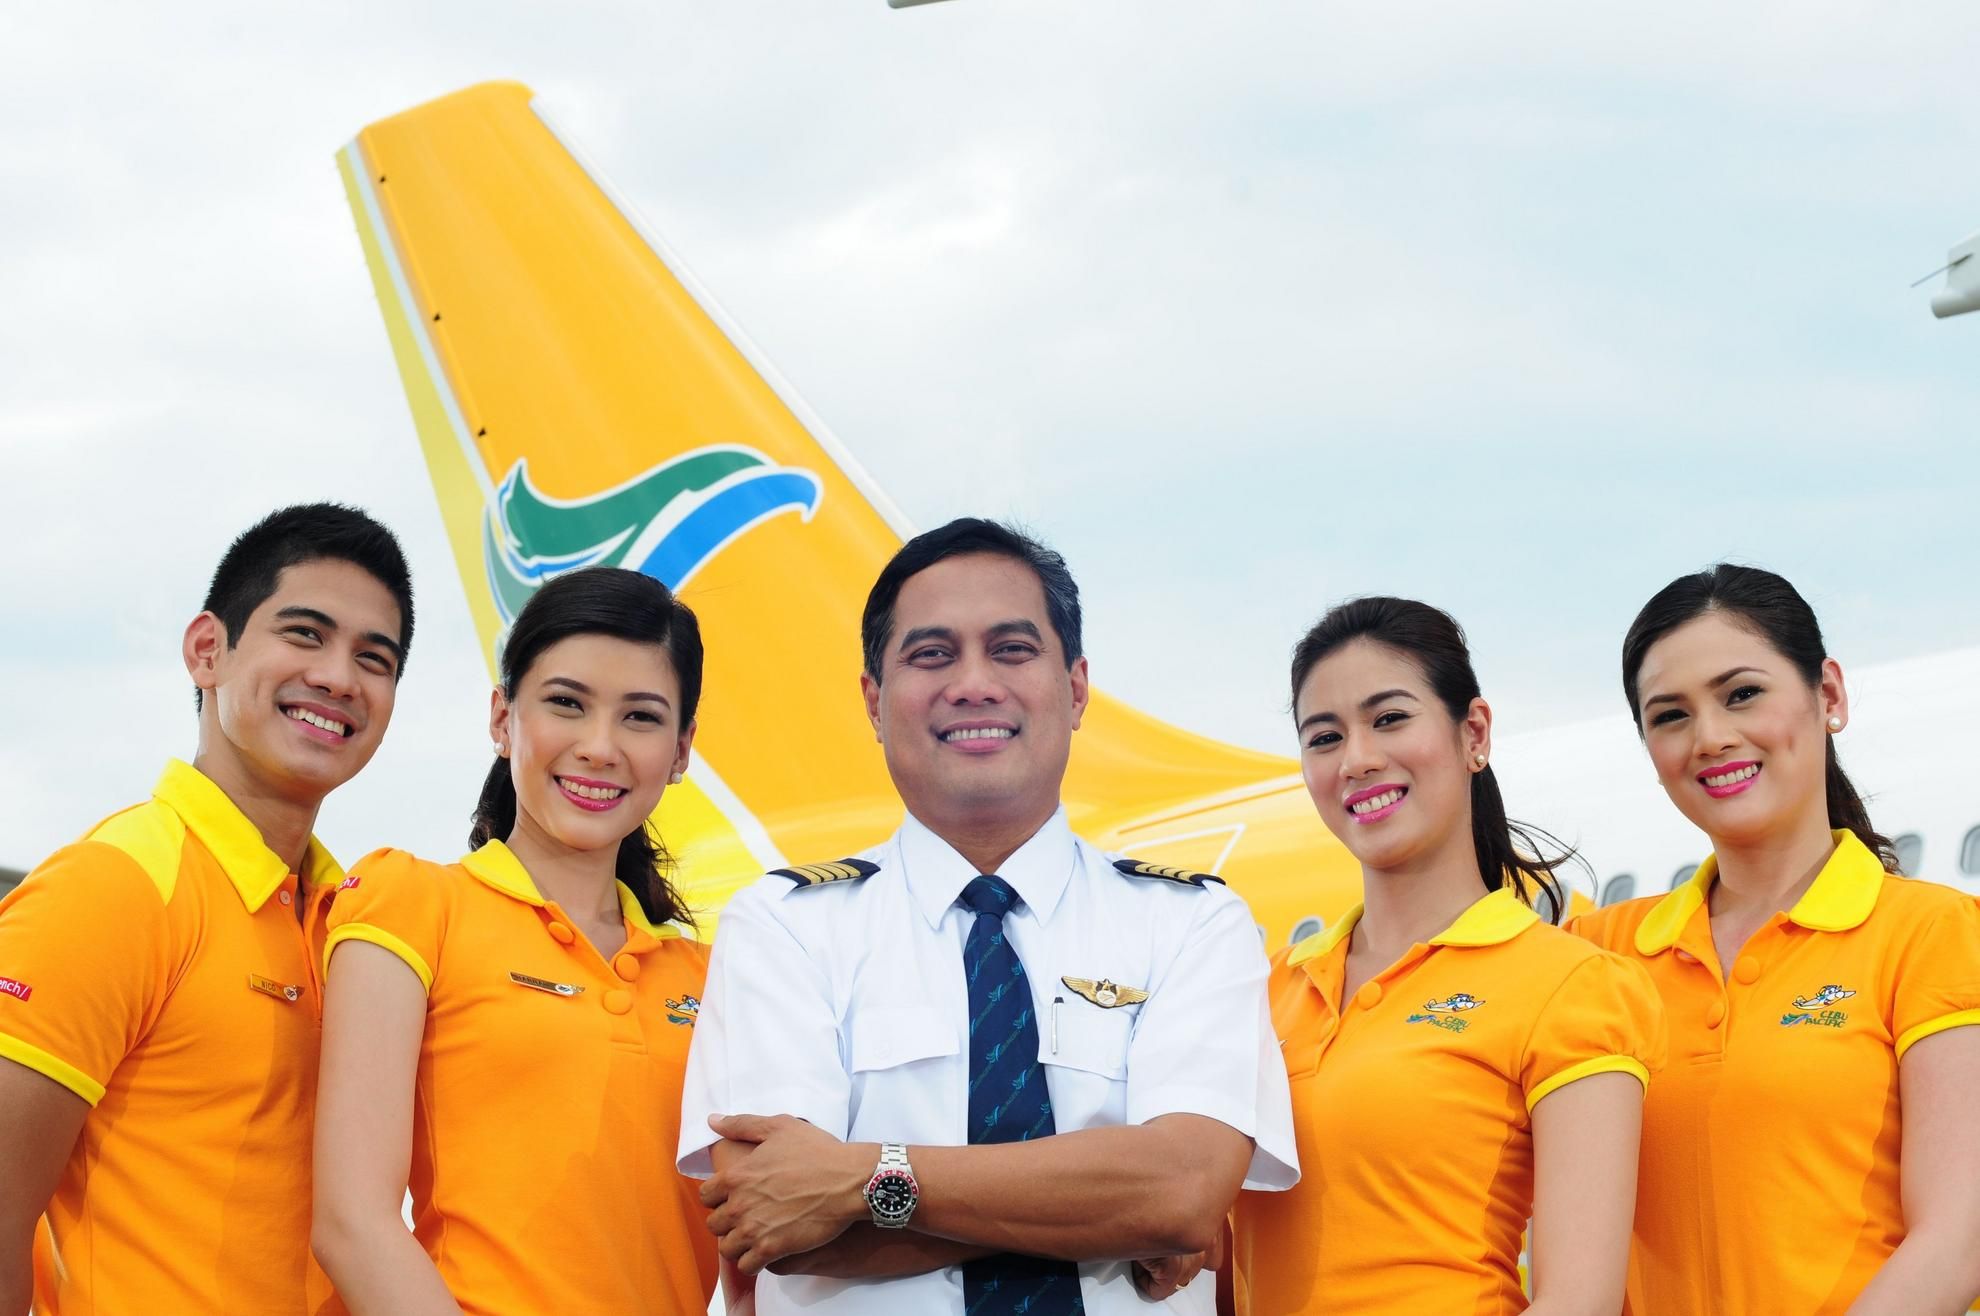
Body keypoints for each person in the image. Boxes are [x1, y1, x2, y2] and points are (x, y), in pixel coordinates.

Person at [677, 517, 1296, 1315]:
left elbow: (1179, 1193)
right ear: (873, 702)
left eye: (1011, 650)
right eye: (932, 655)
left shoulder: (1192, 922)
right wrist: (1106, 1211)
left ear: (1075, 690)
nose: (973, 683)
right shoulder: (783, 924)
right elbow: (783, 1228)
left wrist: (863, 1178)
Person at [0, 503, 414, 1316]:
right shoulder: (113, 886)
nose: (338, 676)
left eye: (375, 658)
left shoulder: (355, 926)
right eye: (304, 634)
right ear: (207, 651)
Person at [1229, 597, 1661, 1315]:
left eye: (1390, 718)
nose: (1359, 759)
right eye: (1325, 736)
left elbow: (1578, 1301)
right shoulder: (1269, 990)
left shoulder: (1573, 985)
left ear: (1474, 734)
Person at [1569, 565, 1980, 1315]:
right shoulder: (1596, 956)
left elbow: (1957, 1242)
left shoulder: (1934, 933)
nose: (1711, 738)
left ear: (1828, 695)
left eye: (1742, 694)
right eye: (1670, 716)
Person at [311, 567, 718, 1316]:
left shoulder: (712, 975)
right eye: (566, 704)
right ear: (502, 719)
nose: (599, 747)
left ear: (683, 748)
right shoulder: (413, 901)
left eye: (641, 717)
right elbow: (351, 1223)